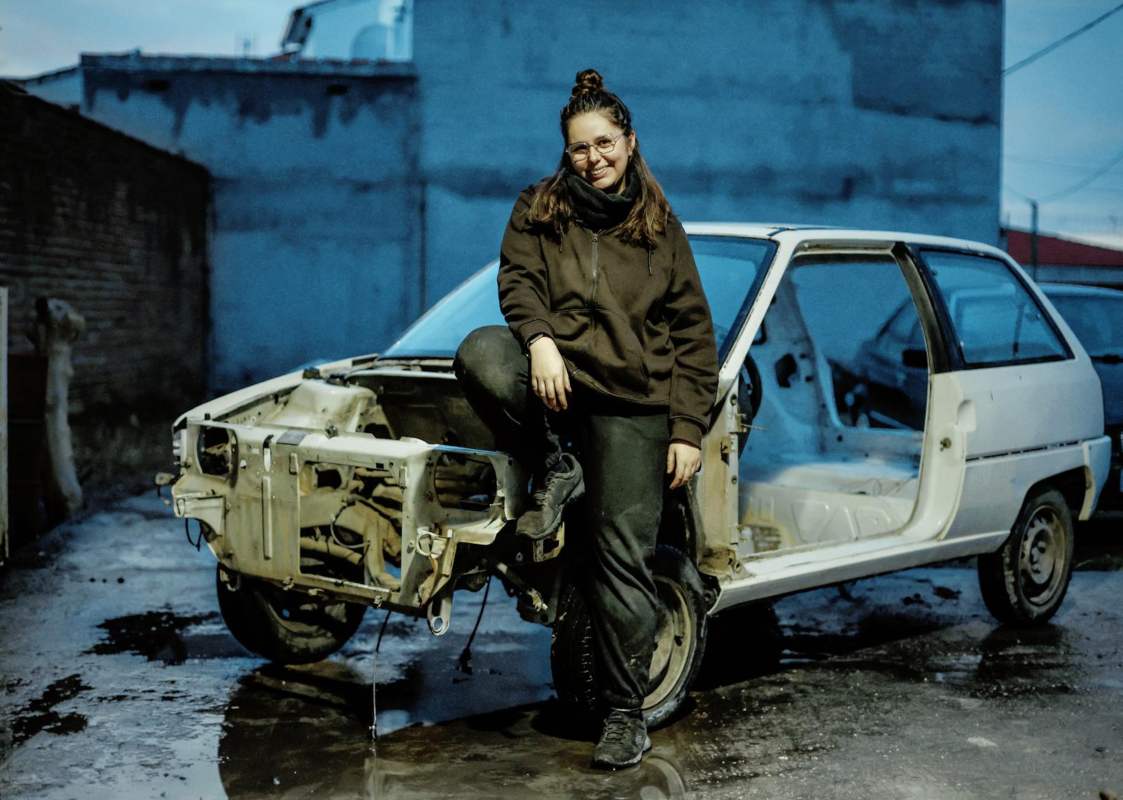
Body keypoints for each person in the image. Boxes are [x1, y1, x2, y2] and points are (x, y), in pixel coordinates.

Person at [454, 68, 717, 769]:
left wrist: (687, 430)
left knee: (619, 561)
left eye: (605, 144)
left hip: (633, 408)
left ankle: (624, 713)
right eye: (579, 148)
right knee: (481, 352)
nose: (593, 158)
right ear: (564, 152)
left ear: (629, 143)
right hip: (559, 390)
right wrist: (539, 341)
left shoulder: (659, 228)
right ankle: (557, 466)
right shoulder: (539, 209)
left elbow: (694, 338)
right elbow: (517, 282)